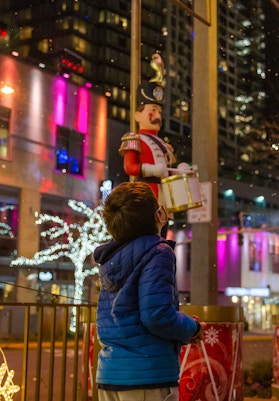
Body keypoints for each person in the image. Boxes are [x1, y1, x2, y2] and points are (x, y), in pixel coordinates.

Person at [94, 181, 204, 401]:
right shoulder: (158, 251)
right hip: (147, 377)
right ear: (157, 215)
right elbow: (156, 315)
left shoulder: (112, 258)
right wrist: (192, 328)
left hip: (110, 375)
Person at [119, 56, 176, 200]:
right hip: (144, 193)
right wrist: (151, 170)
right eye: (153, 110)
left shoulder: (164, 145)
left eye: (159, 112)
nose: (157, 115)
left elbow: (167, 171)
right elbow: (129, 167)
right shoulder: (133, 139)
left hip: (164, 195)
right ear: (137, 116)